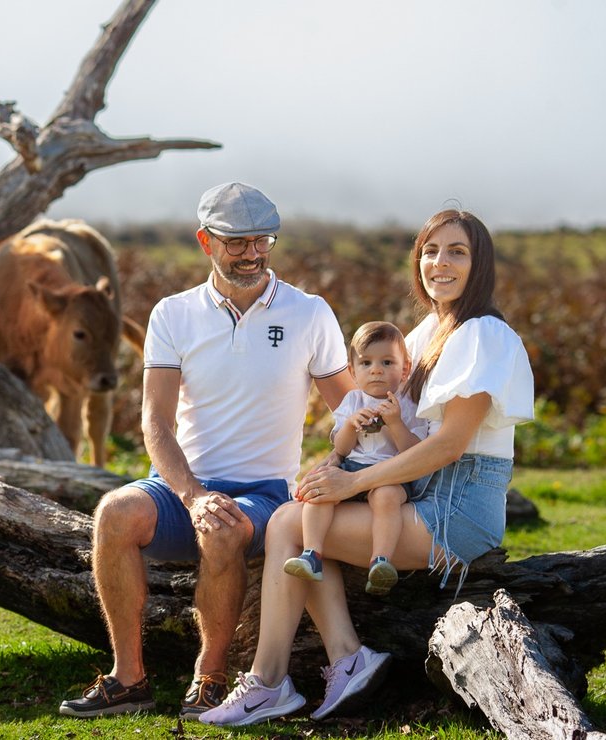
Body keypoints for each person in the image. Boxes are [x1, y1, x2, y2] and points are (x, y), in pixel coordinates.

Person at [199, 208, 535, 727]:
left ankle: (272, 682)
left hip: (458, 508)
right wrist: (336, 460)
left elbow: (449, 445)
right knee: (307, 514)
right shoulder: (427, 333)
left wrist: (352, 481)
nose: (439, 262)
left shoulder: (481, 333)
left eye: (457, 251)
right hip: (419, 494)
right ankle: (344, 660)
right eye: (430, 250)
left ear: (480, 263)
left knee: (289, 521)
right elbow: (382, 417)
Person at [58, 182, 355, 719]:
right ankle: (129, 680)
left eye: (262, 240)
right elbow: (155, 421)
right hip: (181, 488)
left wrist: (337, 466)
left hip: (264, 494)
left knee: (224, 528)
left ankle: (210, 677)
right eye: (236, 242)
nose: (252, 253)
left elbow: (350, 409)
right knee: (113, 512)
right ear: (205, 242)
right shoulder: (173, 314)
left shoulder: (309, 314)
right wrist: (192, 495)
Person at [282, 321, 428, 597]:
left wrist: (395, 423)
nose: (376, 370)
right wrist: (349, 426)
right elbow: (342, 448)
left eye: (387, 362)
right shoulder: (352, 401)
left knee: (386, 499)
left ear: (404, 368)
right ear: (353, 370)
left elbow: (413, 451)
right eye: (366, 363)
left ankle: (381, 560)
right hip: (350, 467)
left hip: (390, 473)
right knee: (320, 492)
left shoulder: (408, 404)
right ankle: (312, 554)